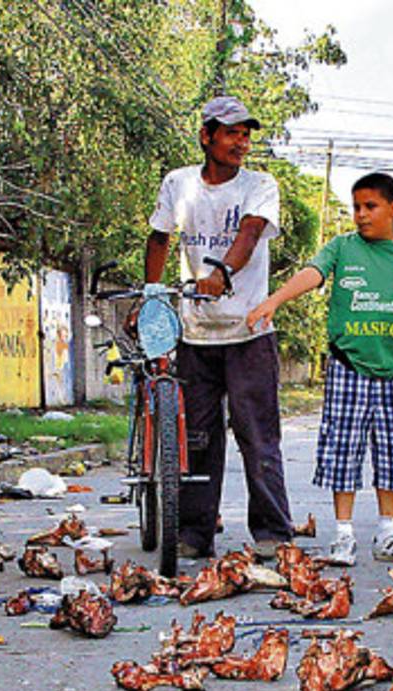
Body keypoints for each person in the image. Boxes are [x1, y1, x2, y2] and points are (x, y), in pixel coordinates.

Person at [246, 172, 393, 565]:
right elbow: (312, 274)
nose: (361, 215)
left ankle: (389, 531)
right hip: (348, 366)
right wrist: (275, 300)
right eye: (356, 207)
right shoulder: (342, 248)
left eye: (370, 207)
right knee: (343, 449)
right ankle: (343, 534)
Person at [145, 96, 292, 560]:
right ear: (206, 136)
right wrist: (152, 294)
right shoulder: (178, 183)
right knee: (198, 439)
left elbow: (249, 233)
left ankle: (272, 533)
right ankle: (193, 533)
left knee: (257, 436)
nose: (241, 143)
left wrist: (220, 276)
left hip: (249, 330)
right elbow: (159, 237)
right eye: (231, 133)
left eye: (246, 134)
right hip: (196, 331)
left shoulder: (259, 185)